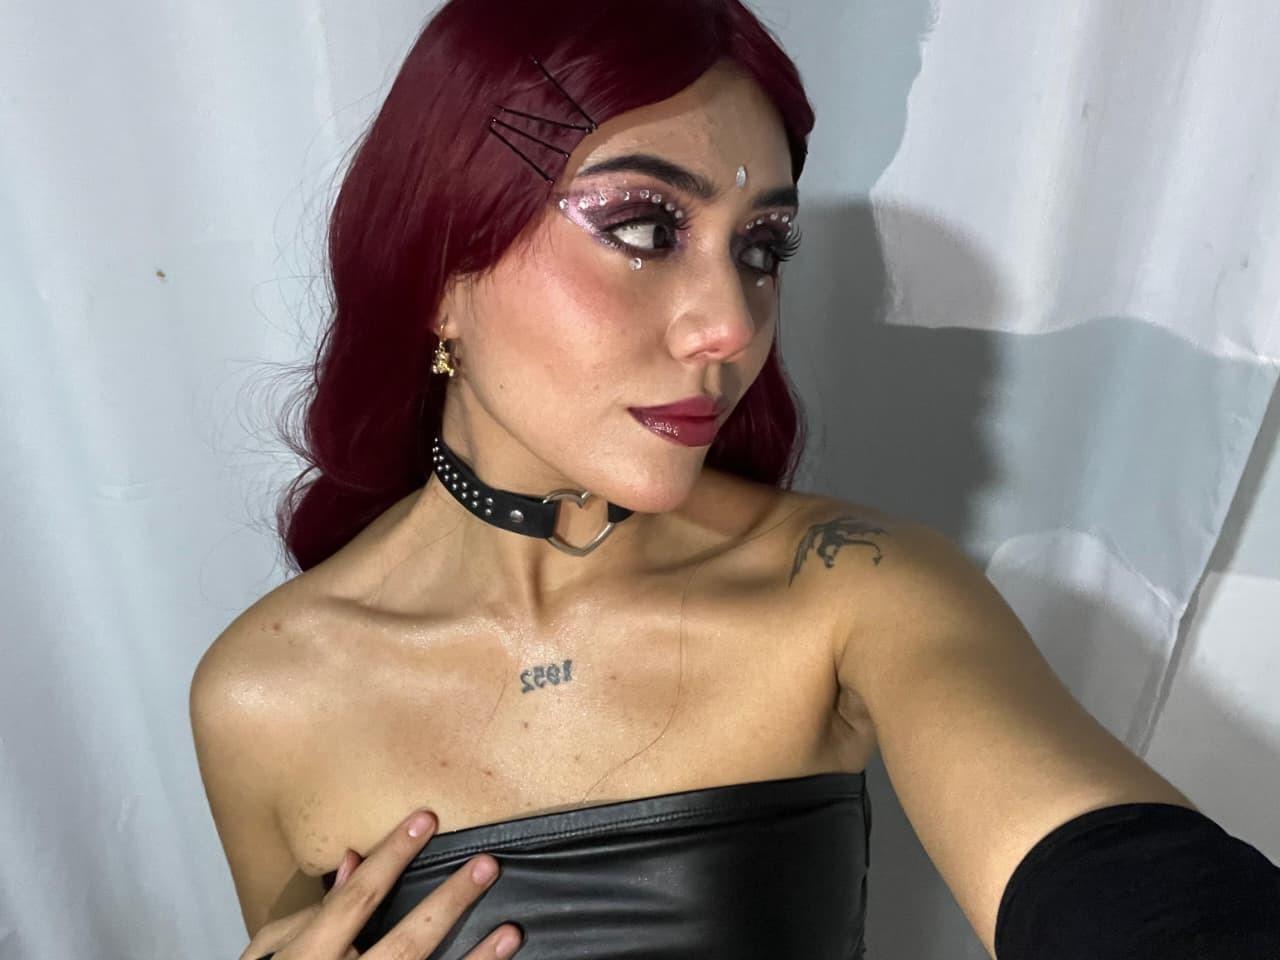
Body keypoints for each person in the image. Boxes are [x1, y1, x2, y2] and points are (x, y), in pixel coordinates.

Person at [189, 2, 1280, 958]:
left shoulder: (852, 590)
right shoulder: (262, 697)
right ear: (439, 269)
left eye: (760, 249)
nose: (730, 326)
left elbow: (1115, 872)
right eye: (641, 227)